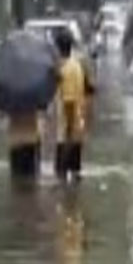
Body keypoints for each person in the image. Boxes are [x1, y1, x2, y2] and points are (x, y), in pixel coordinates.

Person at [54, 27, 93, 181]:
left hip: (67, 136)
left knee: (62, 181)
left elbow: (69, 104)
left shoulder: (67, 70)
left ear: (58, 48)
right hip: (75, 132)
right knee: (74, 184)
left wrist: (68, 140)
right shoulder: (75, 66)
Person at [8, 108, 42, 180]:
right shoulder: (33, 102)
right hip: (29, 141)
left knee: (16, 176)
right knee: (30, 175)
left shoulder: (12, 104)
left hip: (16, 143)